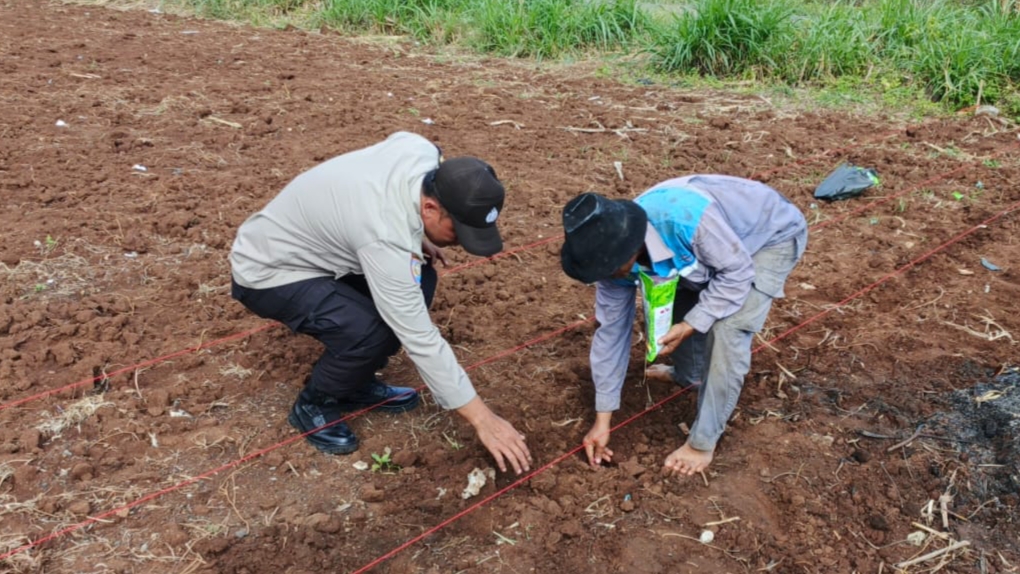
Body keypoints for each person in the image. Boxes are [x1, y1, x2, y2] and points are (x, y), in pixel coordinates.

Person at [229, 131, 532, 474]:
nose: (461, 244)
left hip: (322, 250)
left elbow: (404, 145)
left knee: (420, 277)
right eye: (458, 233)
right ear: (429, 208)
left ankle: (354, 381)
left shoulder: (421, 153)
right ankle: (315, 403)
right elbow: (420, 338)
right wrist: (483, 419)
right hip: (268, 270)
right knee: (371, 331)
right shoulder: (384, 237)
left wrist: (414, 233)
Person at [560, 175, 807, 476]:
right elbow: (611, 333)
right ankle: (689, 376)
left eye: (609, 268)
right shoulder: (611, 262)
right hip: (708, 255)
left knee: (727, 329)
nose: (607, 276)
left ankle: (702, 443)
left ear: (630, 249)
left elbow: (737, 274)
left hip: (766, 237)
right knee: (675, 312)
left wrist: (693, 322)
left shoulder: (685, 221)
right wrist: (603, 419)